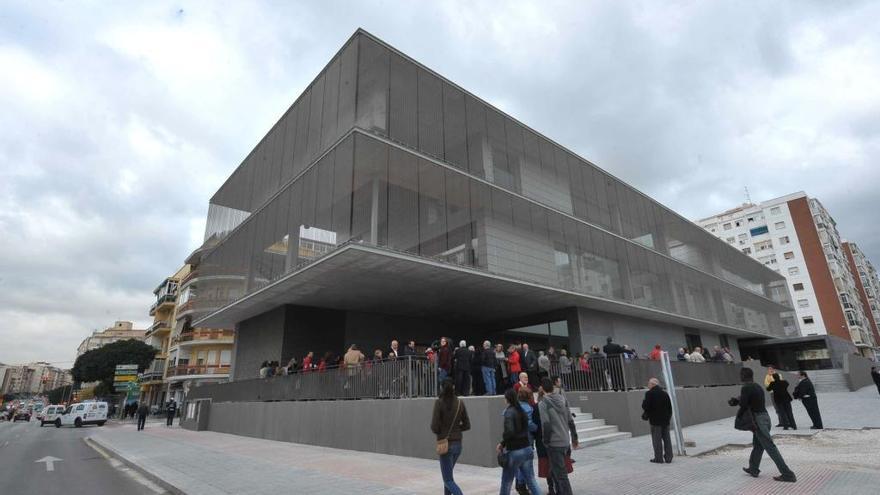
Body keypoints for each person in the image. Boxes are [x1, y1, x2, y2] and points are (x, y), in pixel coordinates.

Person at [729, 367, 796, 483]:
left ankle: (788, 474)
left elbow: (744, 404)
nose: (739, 377)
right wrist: (737, 400)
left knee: (770, 448)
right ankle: (753, 468)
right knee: (758, 445)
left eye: (740, 375)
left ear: (744, 376)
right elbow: (750, 400)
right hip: (765, 418)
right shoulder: (757, 386)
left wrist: (738, 413)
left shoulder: (746, 387)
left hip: (758, 421)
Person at [498, 388, 542, 495]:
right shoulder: (523, 410)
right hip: (527, 447)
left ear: (507, 399)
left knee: (506, 482)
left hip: (515, 450)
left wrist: (502, 443)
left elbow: (509, 432)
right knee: (531, 480)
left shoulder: (509, 412)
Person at [538, 378, 578, 495]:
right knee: (556, 472)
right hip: (565, 440)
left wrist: (545, 442)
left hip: (554, 443)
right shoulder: (563, 399)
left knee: (561, 476)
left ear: (542, 388)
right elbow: (570, 420)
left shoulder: (543, 403)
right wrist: (574, 438)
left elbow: (546, 424)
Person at [431, 379, 471, 495]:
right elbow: (467, 425)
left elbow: (434, 427)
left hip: (445, 445)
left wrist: (441, 431)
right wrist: (457, 430)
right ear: (453, 387)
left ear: (442, 388)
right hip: (458, 445)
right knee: (448, 477)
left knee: (448, 479)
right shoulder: (460, 403)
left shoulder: (439, 403)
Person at [642, 378, 673, 464]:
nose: (648, 385)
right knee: (667, 439)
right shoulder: (665, 393)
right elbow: (670, 408)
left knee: (657, 440)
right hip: (665, 421)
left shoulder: (649, 394)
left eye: (648, 383)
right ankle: (669, 457)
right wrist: (668, 418)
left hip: (655, 421)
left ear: (652, 384)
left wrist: (644, 401)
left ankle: (658, 458)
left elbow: (646, 406)